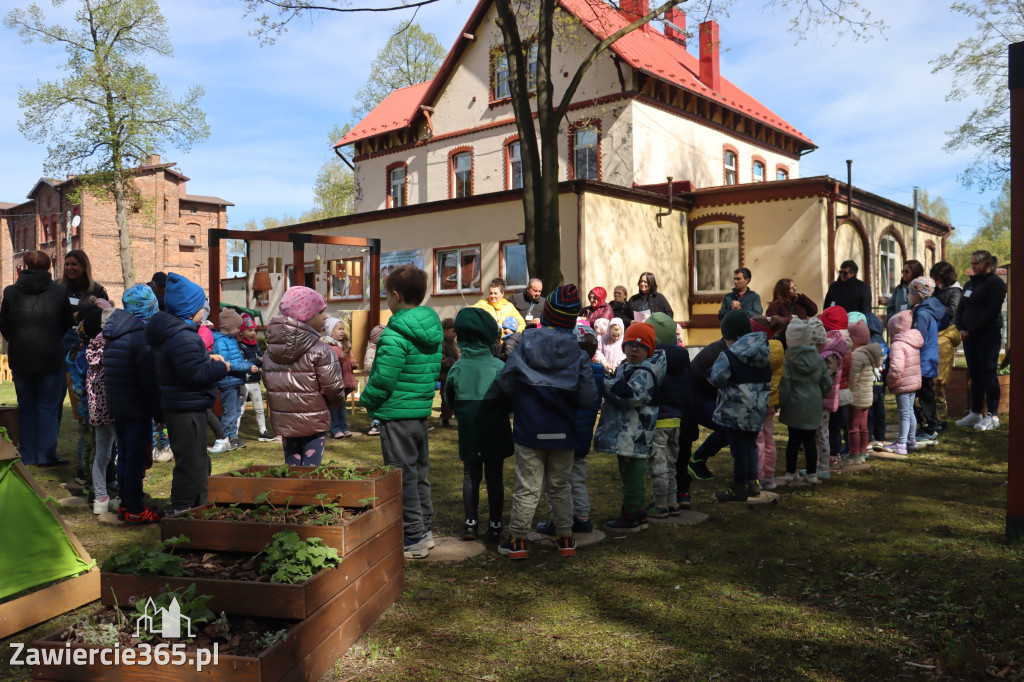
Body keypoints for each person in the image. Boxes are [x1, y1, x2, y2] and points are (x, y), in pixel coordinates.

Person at [498, 284, 596, 560]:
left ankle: (517, 540)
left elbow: (506, 382)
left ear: (548, 314)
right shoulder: (579, 354)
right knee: (560, 487)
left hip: (529, 428)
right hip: (564, 430)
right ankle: (565, 538)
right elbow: (588, 398)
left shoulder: (526, 343)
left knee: (527, 488)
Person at [360, 267, 443, 559]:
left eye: (385, 294)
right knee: (418, 474)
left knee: (402, 478)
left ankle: (413, 537)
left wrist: (367, 400)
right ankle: (425, 530)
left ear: (395, 296)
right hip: (419, 414)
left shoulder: (394, 334)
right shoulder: (433, 330)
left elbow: (383, 379)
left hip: (396, 416)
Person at [146, 273, 230, 514]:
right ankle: (182, 508)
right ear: (192, 310)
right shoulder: (184, 337)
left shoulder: (177, 333)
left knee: (197, 460)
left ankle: (199, 503)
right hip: (186, 408)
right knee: (191, 463)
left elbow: (183, 365)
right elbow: (193, 374)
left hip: (183, 406)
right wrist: (220, 367)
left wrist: (207, 357)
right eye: (202, 307)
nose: (205, 312)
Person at [0, 250, 75, 466]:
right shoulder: (59, 292)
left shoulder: (11, 292)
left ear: (24, 266)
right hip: (51, 357)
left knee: (26, 406)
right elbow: (66, 324)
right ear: (48, 268)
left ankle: (28, 454)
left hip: (20, 356)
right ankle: (46, 455)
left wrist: (17, 341)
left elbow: (4, 324)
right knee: (48, 407)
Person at [444, 307, 512, 543]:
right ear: (490, 339)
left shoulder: (457, 368)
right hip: (496, 430)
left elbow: (448, 399)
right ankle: (495, 524)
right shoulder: (499, 367)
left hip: (469, 430)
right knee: (495, 476)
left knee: (470, 476)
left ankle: (470, 522)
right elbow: (510, 399)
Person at [264, 287, 346, 468]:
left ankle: (292, 495)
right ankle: (307, 494)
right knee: (311, 470)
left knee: (292, 467)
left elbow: (268, 382)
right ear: (307, 316)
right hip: (313, 420)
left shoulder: (270, 350)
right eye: (321, 312)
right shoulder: (321, 350)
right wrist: (336, 402)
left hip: (286, 420)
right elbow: (333, 387)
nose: (325, 317)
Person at [594, 321, 666, 528]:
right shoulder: (628, 366)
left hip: (636, 434)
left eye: (641, 346)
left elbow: (631, 396)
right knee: (629, 475)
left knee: (633, 477)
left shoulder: (646, 372)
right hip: (626, 433)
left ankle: (632, 516)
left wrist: (603, 382)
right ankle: (638, 511)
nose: (634, 349)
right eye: (630, 345)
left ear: (650, 349)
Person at [535, 323, 605, 536]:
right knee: (577, 478)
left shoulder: (567, 371)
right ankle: (582, 518)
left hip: (563, 434)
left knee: (555, 481)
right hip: (583, 437)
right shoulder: (599, 372)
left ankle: (559, 520)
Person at [103, 284, 163, 524]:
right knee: (136, 457)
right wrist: (159, 412)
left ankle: (126, 503)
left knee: (126, 455)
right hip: (137, 407)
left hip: (119, 404)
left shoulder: (116, 331)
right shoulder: (140, 337)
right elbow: (150, 381)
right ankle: (136, 508)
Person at [708, 311, 770, 502]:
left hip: (734, 412)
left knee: (738, 450)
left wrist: (711, 373)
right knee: (750, 446)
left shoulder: (728, 355)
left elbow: (717, 379)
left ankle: (739, 486)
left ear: (731, 337)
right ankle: (753, 482)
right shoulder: (763, 353)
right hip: (757, 411)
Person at [685, 314, 747, 482]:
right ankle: (697, 459)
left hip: (708, 396)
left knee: (732, 427)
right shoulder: (721, 353)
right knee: (727, 427)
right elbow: (720, 382)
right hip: (697, 399)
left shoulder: (730, 349)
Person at [645, 313, 692, 516]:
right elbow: (688, 392)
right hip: (677, 419)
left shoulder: (654, 360)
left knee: (658, 464)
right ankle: (673, 501)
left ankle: (660, 504)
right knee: (671, 462)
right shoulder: (682, 360)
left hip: (659, 418)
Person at [954, 250, 1006, 432]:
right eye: (972, 263)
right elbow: (960, 309)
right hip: (969, 337)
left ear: (987, 264)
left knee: (988, 373)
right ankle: (976, 412)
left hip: (987, 336)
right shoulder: (970, 284)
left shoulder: (996, 283)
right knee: (975, 374)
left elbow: (991, 312)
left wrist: (971, 330)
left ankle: (993, 415)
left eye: (976, 263)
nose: (973, 266)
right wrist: (961, 328)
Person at [778, 318, 832, 485]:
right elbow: (827, 382)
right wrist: (818, 395)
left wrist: (782, 402)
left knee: (793, 441)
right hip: (813, 405)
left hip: (793, 406)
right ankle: (811, 474)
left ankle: (790, 472)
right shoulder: (817, 358)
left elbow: (785, 385)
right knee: (810, 441)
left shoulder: (787, 359)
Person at [82, 307, 117, 516]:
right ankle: (125, 494)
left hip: (97, 411)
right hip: (113, 409)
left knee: (101, 455)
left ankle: (100, 498)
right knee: (123, 452)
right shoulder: (113, 346)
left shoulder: (92, 347)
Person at [909, 277, 947, 443]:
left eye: (910, 292)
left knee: (923, 396)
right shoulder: (932, 309)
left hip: (922, 360)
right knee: (927, 394)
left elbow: (918, 337)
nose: (908, 295)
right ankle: (931, 425)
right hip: (930, 357)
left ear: (918, 295)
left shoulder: (922, 313)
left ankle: (930, 428)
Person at [212, 309, 255, 449]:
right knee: (229, 413)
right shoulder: (221, 343)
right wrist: (248, 366)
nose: (239, 330)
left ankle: (233, 436)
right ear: (230, 327)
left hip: (235, 381)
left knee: (236, 411)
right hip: (228, 382)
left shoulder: (230, 340)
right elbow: (228, 364)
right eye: (237, 327)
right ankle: (226, 438)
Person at [884, 310, 923, 454]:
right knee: (910, 411)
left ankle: (901, 443)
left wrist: (890, 382)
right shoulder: (913, 341)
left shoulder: (898, 344)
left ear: (895, 329)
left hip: (903, 383)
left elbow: (896, 367)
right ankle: (911, 440)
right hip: (913, 382)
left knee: (904, 414)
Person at [930, 261, 963, 431]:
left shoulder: (955, 291)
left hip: (946, 335)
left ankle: (941, 420)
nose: (935, 282)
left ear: (945, 277)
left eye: (937, 278)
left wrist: (931, 305)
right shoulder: (937, 290)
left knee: (939, 382)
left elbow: (952, 311)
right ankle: (931, 417)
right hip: (934, 335)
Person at [845, 320, 882, 465]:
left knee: (853, 427)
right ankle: (863, 451)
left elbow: (853, 377)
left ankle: (854, 453)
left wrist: (849, 391)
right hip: (867, 395)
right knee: (864, 426)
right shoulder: (869, 354)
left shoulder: (857, 356)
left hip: (857, 396)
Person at [754, 317, 784, 490]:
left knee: (757, 440)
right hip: (771, 401)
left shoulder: (756, 351)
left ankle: (756, 476)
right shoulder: (778, 349)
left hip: (757, 401)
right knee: (768, 438)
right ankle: (769, 476)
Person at [815, 316, 846, 479]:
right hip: (823, 398)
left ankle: (824, 466)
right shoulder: (829, 353)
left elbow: (826, 380)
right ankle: (818, 464)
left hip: (824, 399)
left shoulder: (829, 356)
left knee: (822, 434)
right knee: (818, 434)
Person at [237, 314, 275, 442]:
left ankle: (263, 431)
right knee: (240, 409)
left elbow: (260, 359)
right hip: (244, 382)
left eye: (254, 330)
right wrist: (257, 360)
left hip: (255, 381)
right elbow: (242, 361)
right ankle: (234, 433)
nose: (253, 333)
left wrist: (262, 361)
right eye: (249, 330)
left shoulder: (256, 345)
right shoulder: (239, 346)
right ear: (241, 332)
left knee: (259, 408)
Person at [322, 316, 357, 439]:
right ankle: (335, 428)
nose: (342, 331)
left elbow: (349, 359)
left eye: (343, 329)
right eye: (339, 329)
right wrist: (340, 357)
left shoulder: (343, 345)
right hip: (335, 382)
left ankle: (344, 427)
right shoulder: (329, 346)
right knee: (334, 406)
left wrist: (353, 363)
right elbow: (329, 363)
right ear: (331, 331)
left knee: (342, 406)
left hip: (345, 382)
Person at [363, 324, 385, 436]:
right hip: (372, 381)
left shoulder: (383, 348)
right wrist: (379, 364)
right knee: (375, 404)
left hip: (380, 380)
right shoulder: (371, 350)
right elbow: (367, 366)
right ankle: (375, 425)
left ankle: (381, 424)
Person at [438, 318, 460, 427]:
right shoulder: (442, 343)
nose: (455, 334)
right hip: (446, 376)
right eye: (453, 331)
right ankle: (445, 419)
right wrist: (452, 361)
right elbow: (440, 360)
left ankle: (455, 416)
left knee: (455, 396)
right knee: (446, 397)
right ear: (444, 331)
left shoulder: (453, 343)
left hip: (454, 375)